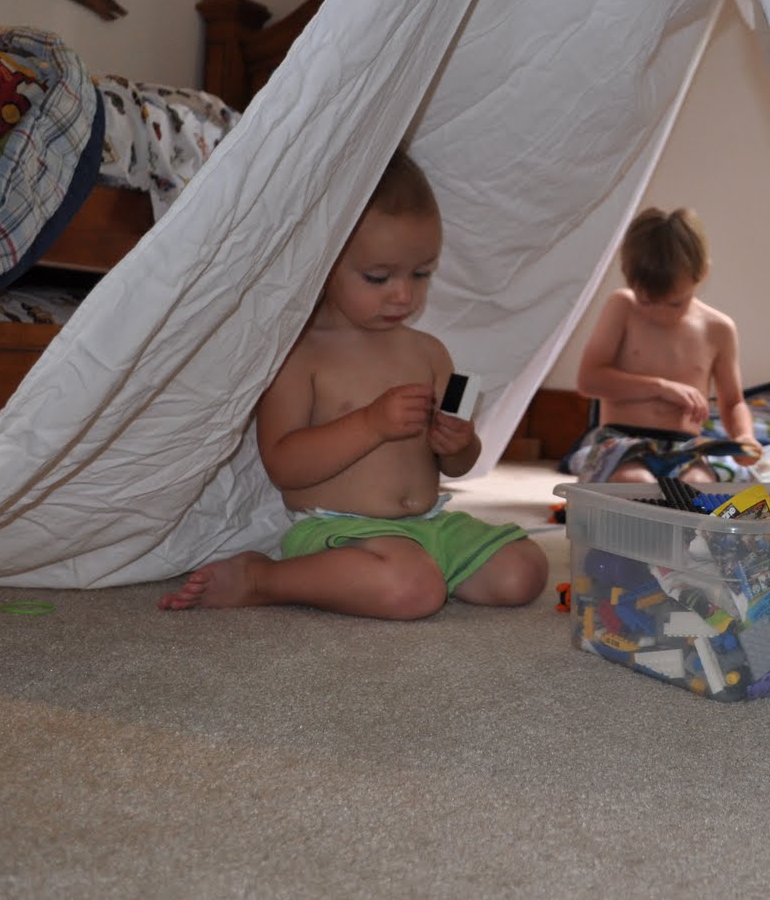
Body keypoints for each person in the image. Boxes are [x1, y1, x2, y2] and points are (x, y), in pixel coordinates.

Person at [158, 152, 549, 619]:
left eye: (421, 273)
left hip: (429, 525)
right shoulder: (300, 355)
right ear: (324, 263)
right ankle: (262, 578)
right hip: (341, 534)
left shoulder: (430, 353)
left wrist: (459, 443)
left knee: (524, 570)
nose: (404, 294)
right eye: (378, 277)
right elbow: (284, 465)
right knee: (412, 590)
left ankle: (419, 570)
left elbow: (459, 464)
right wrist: (370, 424)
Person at [571, 205, 760, 484]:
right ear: (629, 279)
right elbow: (589, 380)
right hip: (622, 441)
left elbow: (733, 402)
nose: (660, 314)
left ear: (702, 274)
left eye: (675, 303)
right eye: (646, 301)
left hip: (685, 447)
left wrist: (744, 436)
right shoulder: (622, 306)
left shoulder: (718, 328)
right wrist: (661, 388)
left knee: (697, 486)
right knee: (636, 483)